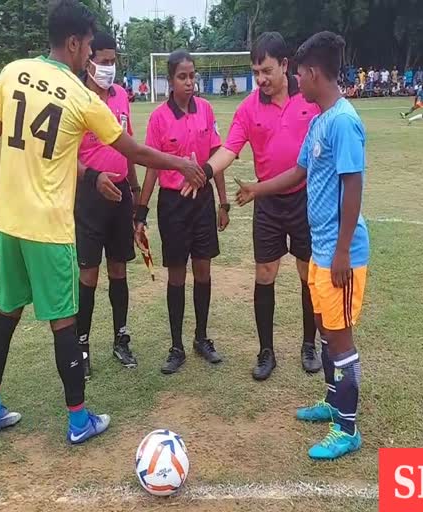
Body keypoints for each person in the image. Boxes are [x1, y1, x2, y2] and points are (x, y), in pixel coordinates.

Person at [0, 0, 205, 441]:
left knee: (7, 312)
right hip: (48, 227)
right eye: (88, 50)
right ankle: (79, 421)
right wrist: (180, 162)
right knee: (64, 321)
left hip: (10, 221)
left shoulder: (12, 72)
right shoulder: (81, 98)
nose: (91, 60)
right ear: (75, 43)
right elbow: (134, 152)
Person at [236, 31, 368, 460]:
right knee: (328, 332)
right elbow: (296, 174)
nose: (298, 82)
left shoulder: (344, 120)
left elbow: (353, 184)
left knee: (341, 339)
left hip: (340, 251)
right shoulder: (320, 120)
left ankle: (347, 430)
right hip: (324, 247)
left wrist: (344, 249)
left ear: (311, 73)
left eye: (300, 73)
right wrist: (257, 189)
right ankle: (332, 402)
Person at [182, 32, 322, 380]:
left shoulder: (309, 99)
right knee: (265, 274)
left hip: (306, 200)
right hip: (268, 204)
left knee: (308, 275)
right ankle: (266, 352)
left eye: (267, 71)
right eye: (256, 71)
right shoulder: (248, 107)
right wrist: (205, 170)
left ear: (285, 66)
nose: (260, 79)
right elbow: (228, 149)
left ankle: (309, 345)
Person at [133, 50, 227, 375]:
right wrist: (141, 211)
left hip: (202, 202)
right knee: (176, 275)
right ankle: (177, 346)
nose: (189, 82)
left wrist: (223, 201)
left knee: (203, 271)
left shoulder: (206, 110)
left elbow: (217, 158)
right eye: (182, 77)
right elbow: (150, 168)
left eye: (192, 76)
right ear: (170, 81)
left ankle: (202, 338)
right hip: (172, 205)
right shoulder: (159, 118)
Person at [75, 32, 142, 378]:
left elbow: (128, 146)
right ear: (88, 61)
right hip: (89, 197)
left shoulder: (121, 97)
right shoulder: (76, 98)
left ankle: (121, 339)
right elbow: (64, 155)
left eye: (113, 61)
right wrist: (93, 177)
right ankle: (81, 346)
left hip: (120, 195)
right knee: (89, 272)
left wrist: (133, 188)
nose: (109, 68)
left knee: (119, 268)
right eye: (103, 60)